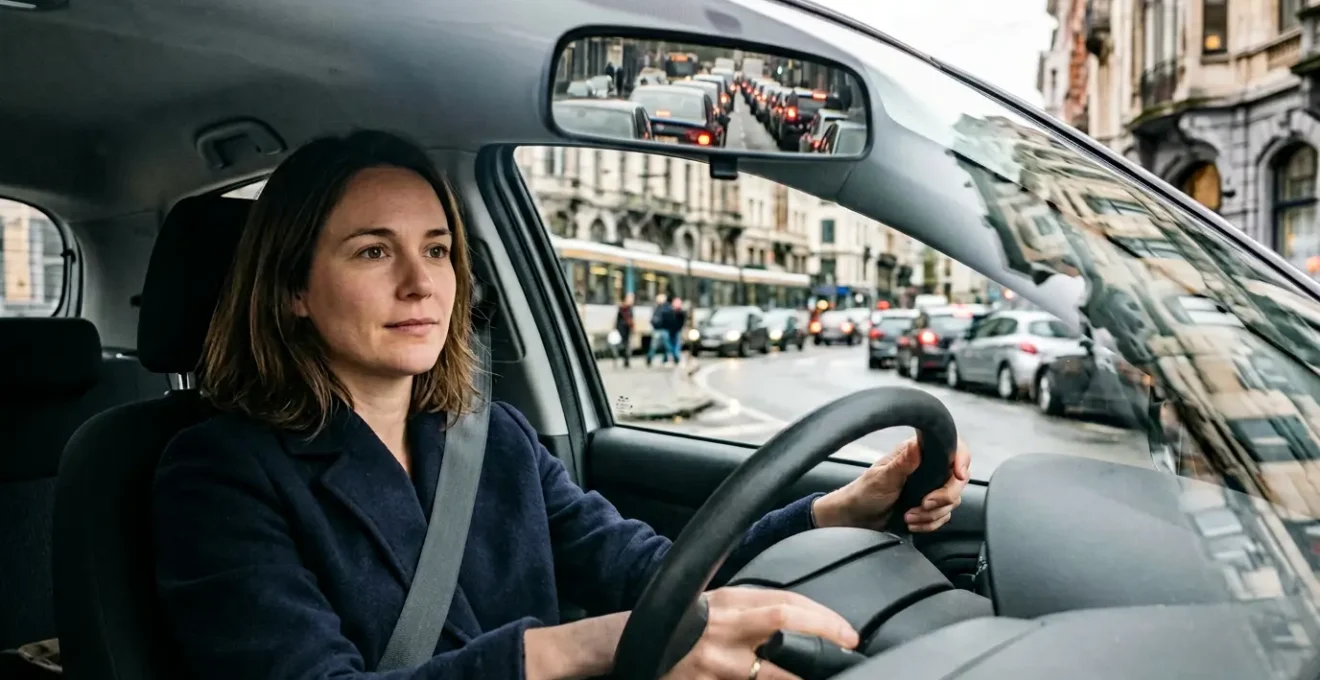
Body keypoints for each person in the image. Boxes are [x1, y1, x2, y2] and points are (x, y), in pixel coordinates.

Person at [152, 130, 972, 680]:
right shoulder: (218, 472)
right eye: (374, 251)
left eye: (438, 249)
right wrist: (594, 645)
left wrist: (838, 510)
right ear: (294, 288)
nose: (422, 283)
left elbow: (654, 571)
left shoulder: (491, 437)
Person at [646, 293, 674, 367]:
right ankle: (650, 359)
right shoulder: (657, 307)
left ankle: (667, 359)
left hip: (664, 329)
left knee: (666, 345)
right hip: (658, 329)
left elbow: (669, 319)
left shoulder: (666, 308)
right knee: (655, 345)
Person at [614, 292, 635, 368]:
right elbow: (619, 319)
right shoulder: (624, 308)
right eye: (630, 298)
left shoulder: (627, 308)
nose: (632, 300)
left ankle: (625, 360)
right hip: (622, 328)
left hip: (626, 328)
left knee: (625, 345)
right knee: (623, 345)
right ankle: (623, 358)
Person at [667, 297, 688, 361]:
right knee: (675, 344)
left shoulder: (673, 312)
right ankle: (675, 355)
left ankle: (675, 355)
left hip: (674, 330)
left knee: (674, 344)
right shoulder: (679, 312)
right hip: (675, 330)